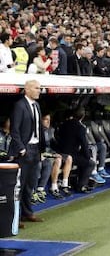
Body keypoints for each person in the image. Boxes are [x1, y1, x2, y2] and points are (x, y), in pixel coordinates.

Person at [9, 80, 45, 224]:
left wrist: (42, 149)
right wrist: (21, 148)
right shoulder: (19, 106)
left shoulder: (36, 105)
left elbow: (40, 129)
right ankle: (15, 218)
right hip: (25, 150)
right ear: (27, 89)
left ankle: (27, 213)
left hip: (36, 149)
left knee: (30, 184)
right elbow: (14, 130)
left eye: (39, 88)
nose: (39, 91)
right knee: (20, 185)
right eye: (36, 88)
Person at [56, 107, 95, 193]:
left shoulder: (63, 124)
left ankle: (75, 181)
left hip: (60, 152)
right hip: (70, 155)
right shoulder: (80, 127)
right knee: (90, 163)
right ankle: (81, 186)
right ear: (83, 116)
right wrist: (88, 156)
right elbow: (84, 144)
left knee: (82, 159)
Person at [41, 113, 73, 199]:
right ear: (40, 120)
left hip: (52, 153)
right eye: (46, 119)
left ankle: (64, 184)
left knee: (69, 157)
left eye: (49, 120)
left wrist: (62, 148)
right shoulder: (37, 131)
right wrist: (54, 154)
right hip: (43, 155)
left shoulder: (51, 130)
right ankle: (54, 187)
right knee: (58, 159)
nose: (48, 122)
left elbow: (55, 143)